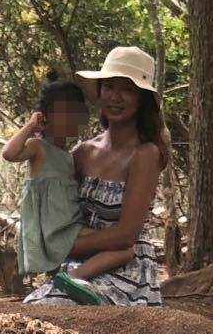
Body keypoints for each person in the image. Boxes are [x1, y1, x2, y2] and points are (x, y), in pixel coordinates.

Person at [22, 46, 168, 307]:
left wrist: (65, 246)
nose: (116, 97)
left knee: (55, 308)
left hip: (125, 267)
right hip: (79, 262)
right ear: (100, 92)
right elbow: (63, 210)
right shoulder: (82, 152)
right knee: (30, 313)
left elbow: (125, 236)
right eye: (109, 86)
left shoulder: (146, 154)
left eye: (127, 89)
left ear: (141, 99)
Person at [3, 72, 138, 300]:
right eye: (62, 115)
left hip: (71, 227)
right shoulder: (38, 148)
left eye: (75, 115)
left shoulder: (70, 157)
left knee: (124, 248)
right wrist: (30, 126)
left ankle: (67, 281)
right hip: (54, 232)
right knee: (124, 250)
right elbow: (9, 153)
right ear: (46, 117)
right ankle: (74, 277)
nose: (69, 121)